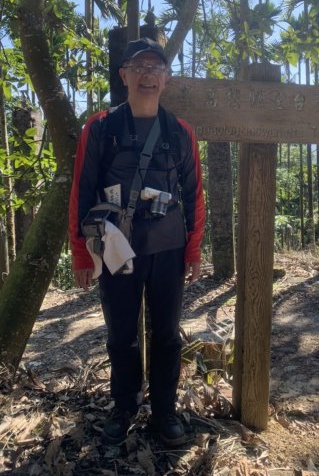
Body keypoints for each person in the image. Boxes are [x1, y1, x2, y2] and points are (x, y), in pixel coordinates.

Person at [69, 37, 205, 446]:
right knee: (121, 334)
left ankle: (165, 411)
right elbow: (82, 188)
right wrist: (80, 251)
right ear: (124, 75)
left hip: (167, 249)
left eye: (156, 68)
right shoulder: (101, 127)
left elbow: (194, 192)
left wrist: (194, 247)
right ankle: (124, 406)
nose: (148, 75)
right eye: (139, 67)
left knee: (166, 334)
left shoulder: (180, 132)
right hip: (115, 248)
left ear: (166, 79)